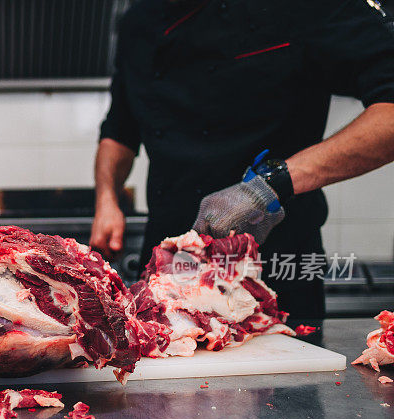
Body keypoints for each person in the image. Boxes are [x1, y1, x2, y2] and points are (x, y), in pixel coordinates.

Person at [90, 0, 394, 318]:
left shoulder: (308, 7)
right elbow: (119, 132)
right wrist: (107, 198)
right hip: (168, 265)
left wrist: (267, 187)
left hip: (274, 270)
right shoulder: (139, 19)